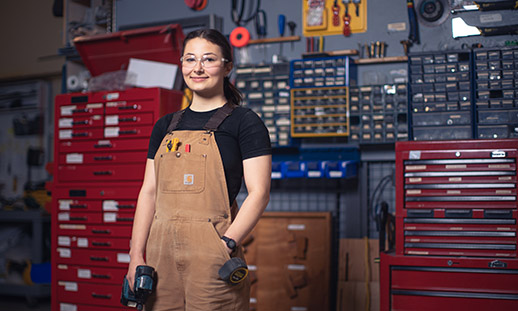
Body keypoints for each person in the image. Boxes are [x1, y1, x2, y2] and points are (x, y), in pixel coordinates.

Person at [125, 28, 272, 311]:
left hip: (212, 254)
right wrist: (136, 255)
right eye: (190, 60)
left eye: (209, 59)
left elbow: (260, 192)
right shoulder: (165, 126)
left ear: (227, 66)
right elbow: (149, 192)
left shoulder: (244, 122)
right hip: (160, 255)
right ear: (182, 66)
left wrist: (226, 244)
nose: (198, 68)